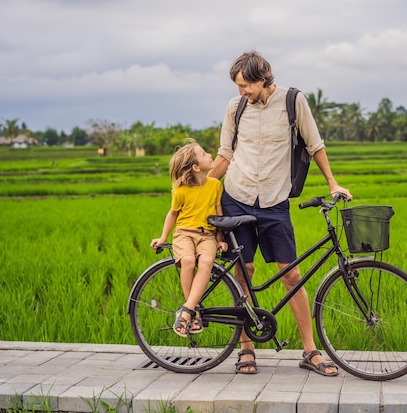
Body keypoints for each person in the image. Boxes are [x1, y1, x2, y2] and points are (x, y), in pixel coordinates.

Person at [209, 51, 351, 376]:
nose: (241, 91)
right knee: (243, 273)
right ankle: (246, 348)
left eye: (245, 85)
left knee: (291, 274)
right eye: (238, 86)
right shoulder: (236, 107)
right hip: (237, 196)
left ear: (263, 78)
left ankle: (310, 351)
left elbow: (315, 144)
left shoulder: (293, 101)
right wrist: (194, 189)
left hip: (274, 201)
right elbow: (225, 154)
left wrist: (333, 183)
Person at [150, 139, 228, 337]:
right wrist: (163, 237)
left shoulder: (215, 185)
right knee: (187, 260)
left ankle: (187, 311)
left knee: (207, 261)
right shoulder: (180, 190)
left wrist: (219, 238)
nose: (210, 155)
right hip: (184, 233)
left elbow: (219, 215)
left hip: (207, 235)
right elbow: (173, 214)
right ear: (195, 167)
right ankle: (193, 312)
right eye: (204, 154)